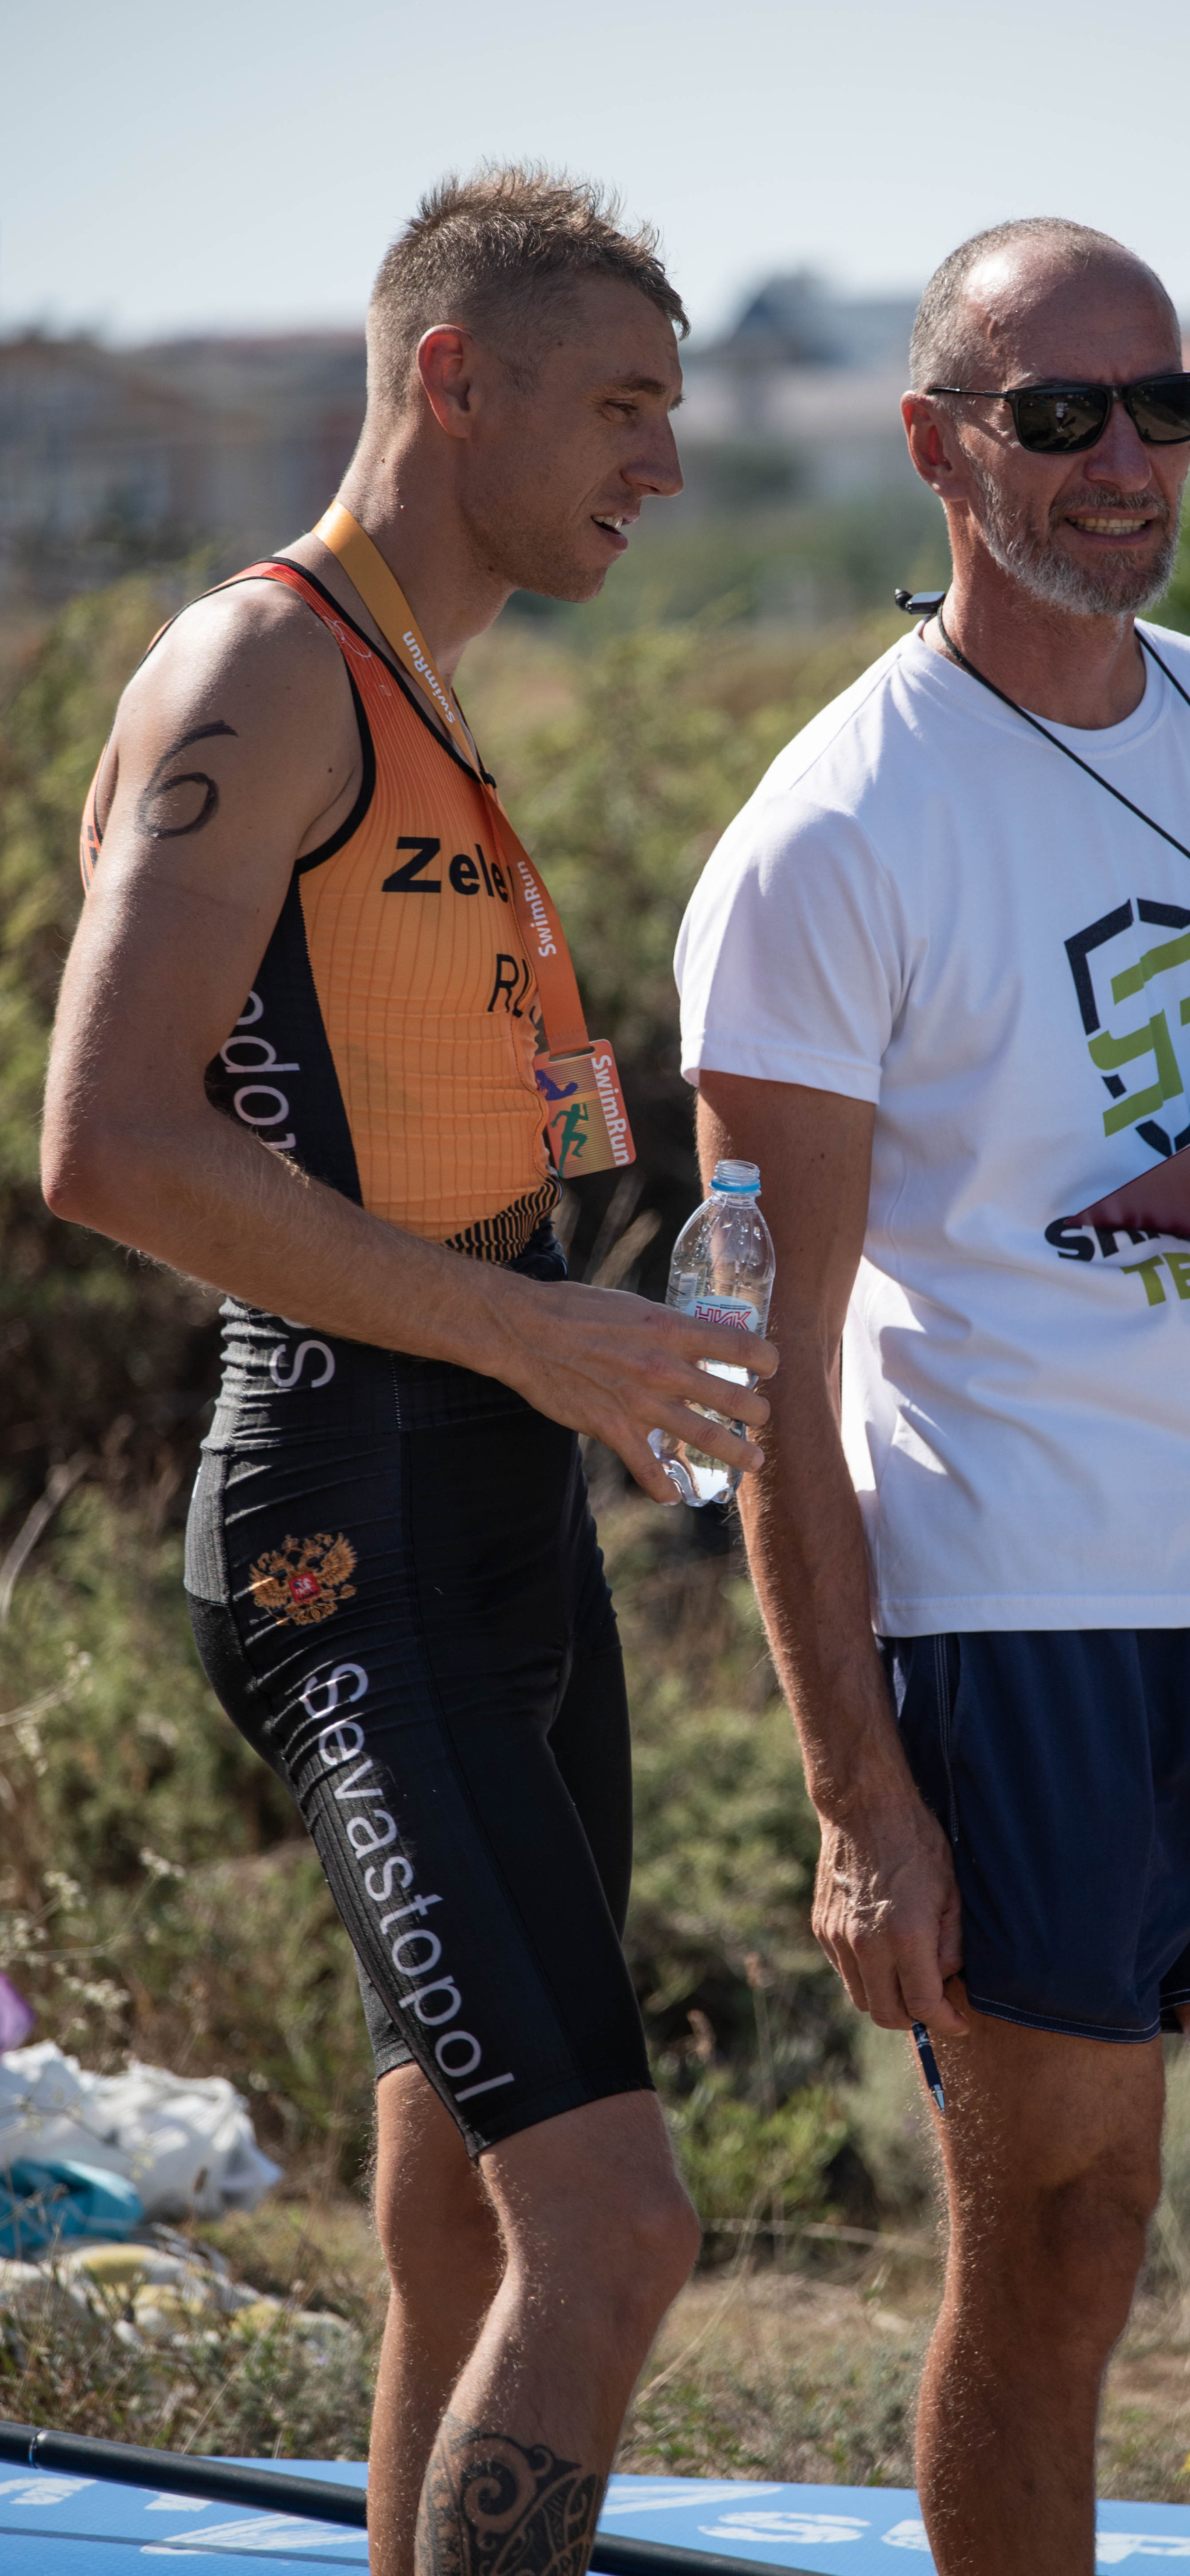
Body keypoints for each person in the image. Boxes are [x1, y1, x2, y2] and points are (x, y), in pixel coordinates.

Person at [674, 218, 1190, 2576]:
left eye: (1167, 406)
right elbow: (767, 1361)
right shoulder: (828, 834)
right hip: (1008, 1630)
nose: (1125, 458)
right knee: (1060, 2263)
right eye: (1060, 414)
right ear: (938, 445)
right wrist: (859, 1799)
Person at [41, 165, 775, 2576]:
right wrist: (538, 1329)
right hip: (348, 1518)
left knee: (462, 2212)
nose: (668, 460)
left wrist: (582, 1327)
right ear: (454, 380)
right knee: (616, 2232)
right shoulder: (260, 667)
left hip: (496, 1500)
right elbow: (109, 1141)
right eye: (625, 405)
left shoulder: (416, 682)